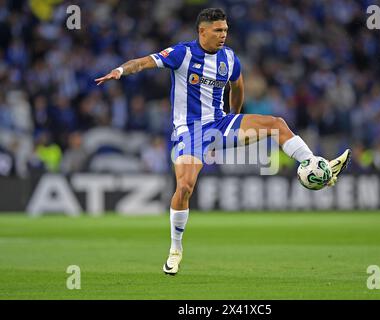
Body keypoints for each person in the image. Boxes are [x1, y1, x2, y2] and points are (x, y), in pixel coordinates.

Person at [95, 8, 351, 275]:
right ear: (202, 31)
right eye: (218, 30)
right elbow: (144, 62)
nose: (223, 35)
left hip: (220, 124)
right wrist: (120, 70)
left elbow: (237, 85)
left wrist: (235, 117)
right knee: (184, 187)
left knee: (276, 124)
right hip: (190, 131)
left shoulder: (228, 58)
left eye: (225, 30)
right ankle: (175, 249)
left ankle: (314, 163)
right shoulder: (183, 53)